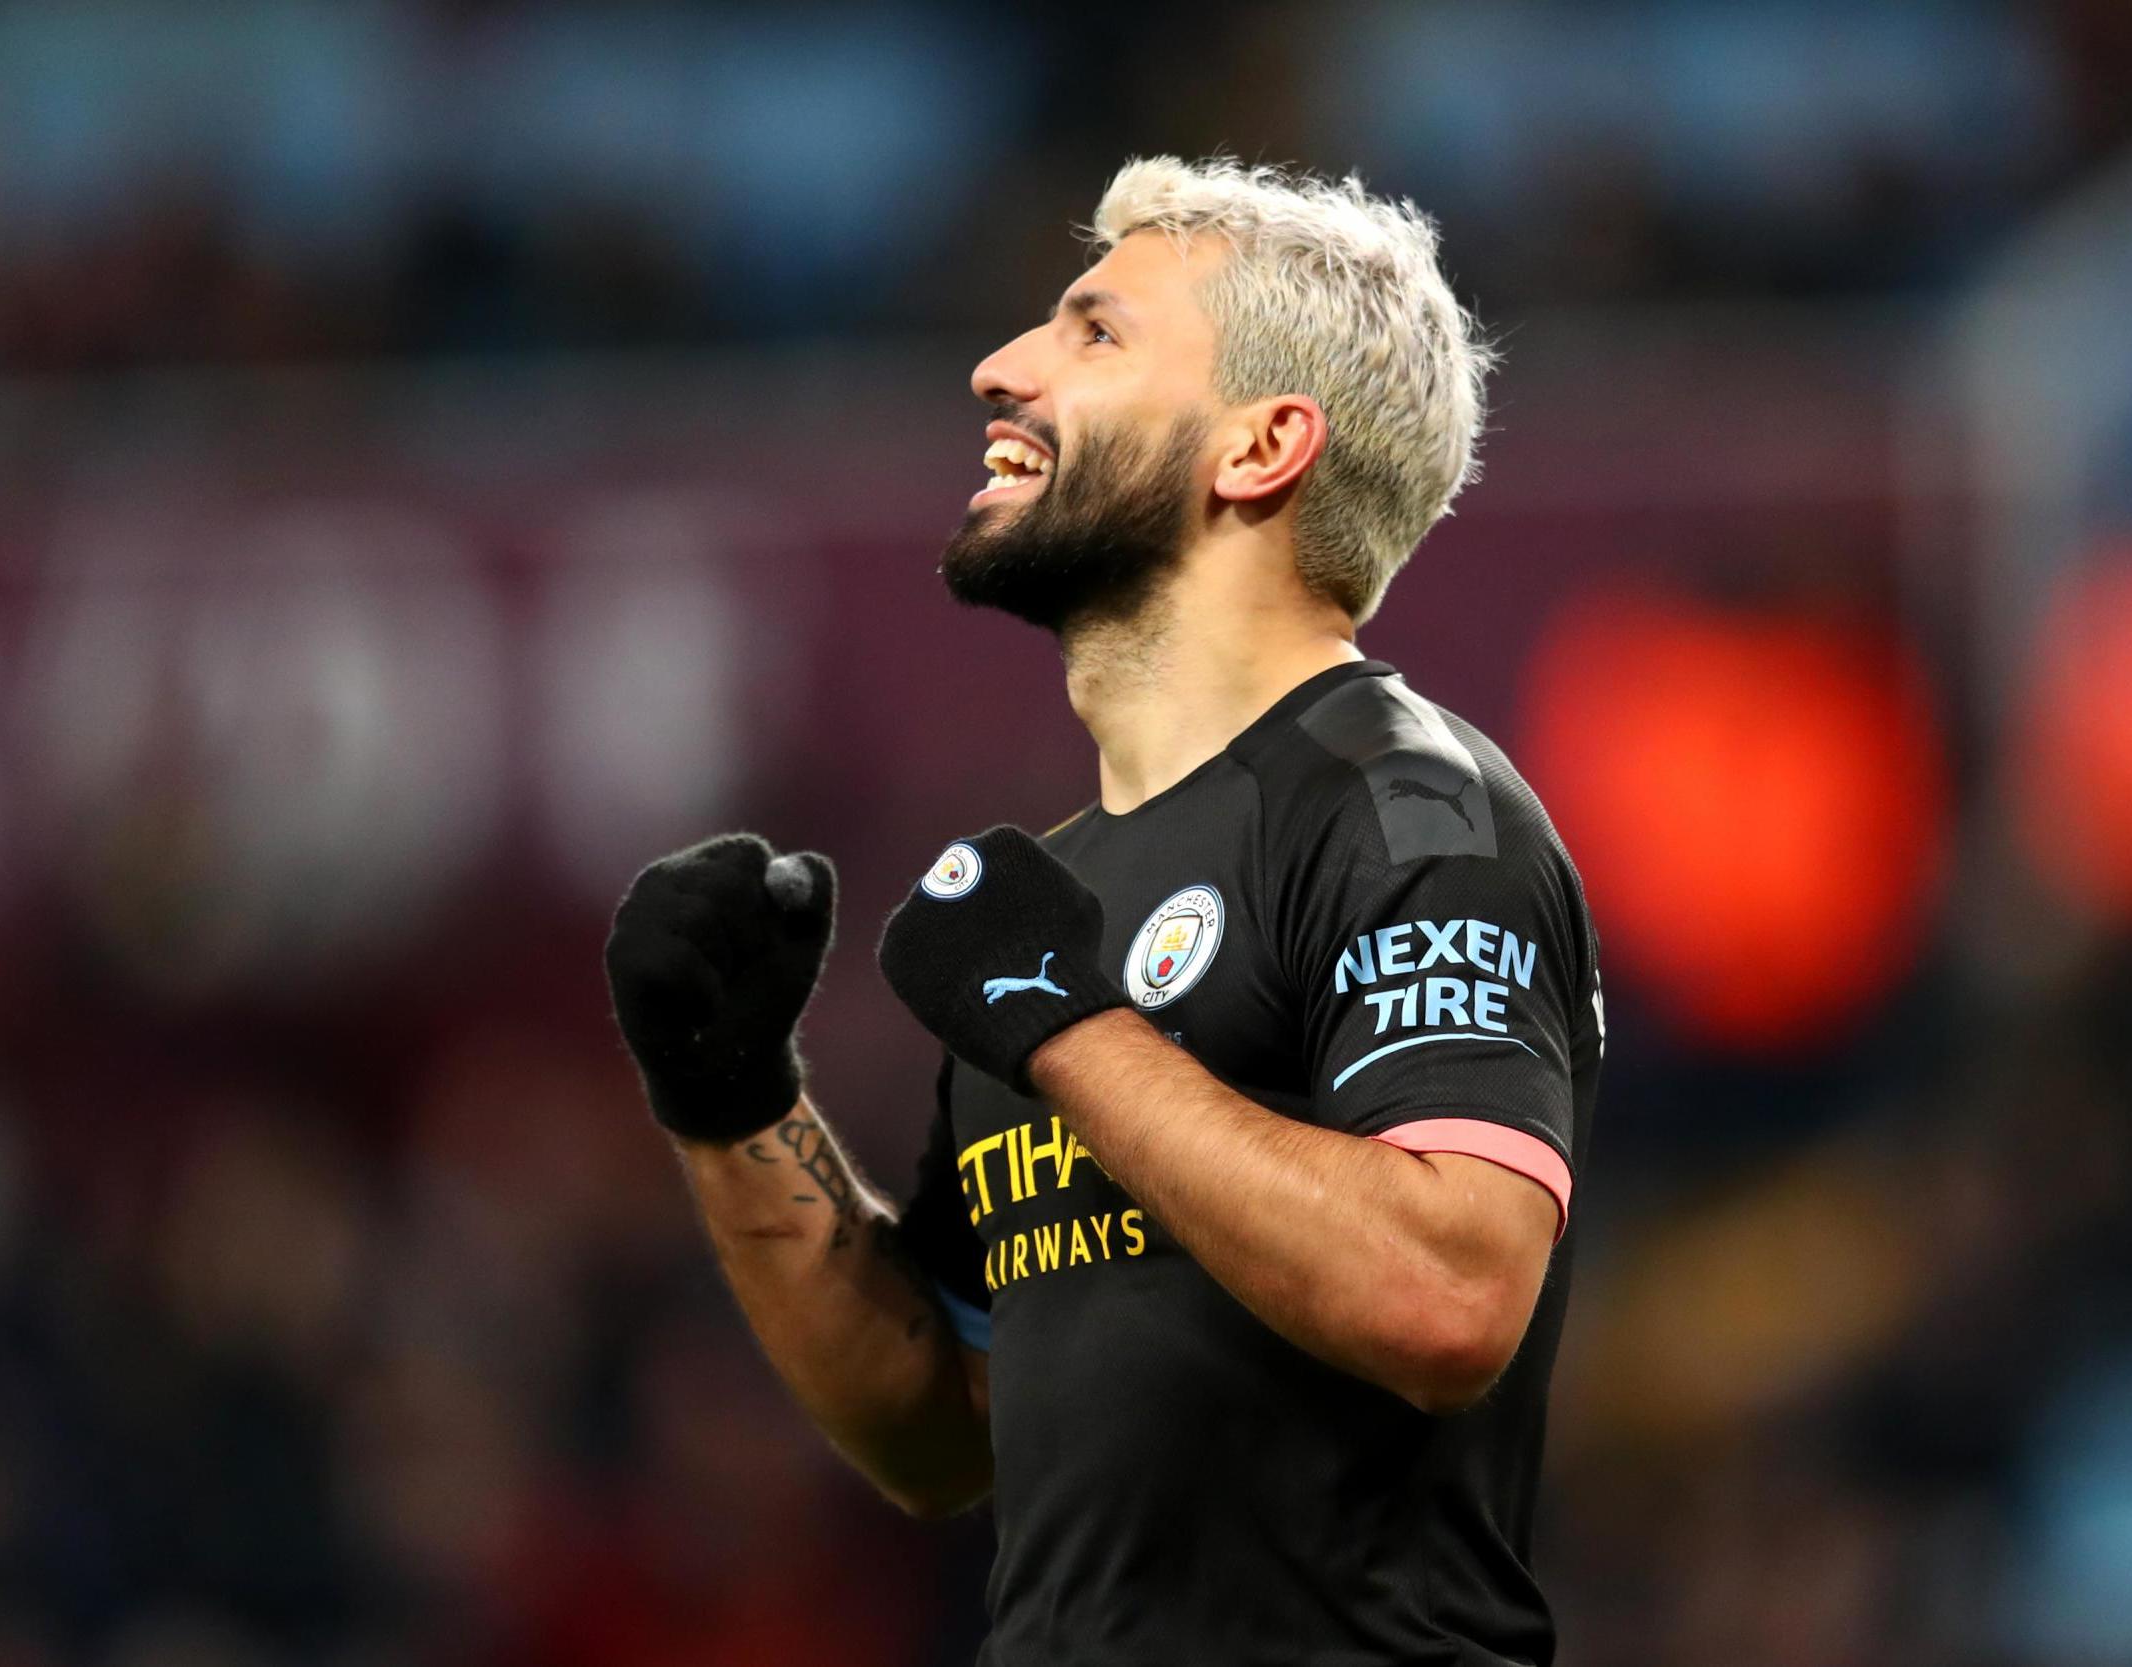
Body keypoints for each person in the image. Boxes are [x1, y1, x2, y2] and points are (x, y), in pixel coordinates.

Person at [605, 156, 1603, 1666]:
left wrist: (1069, 1027)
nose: (1000, 369)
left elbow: (1452, 1294)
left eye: (1095, 333)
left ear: (1260, 447)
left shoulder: (1408, 806)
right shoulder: (1056, 901)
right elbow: (944, 1425)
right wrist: (735, 1103)